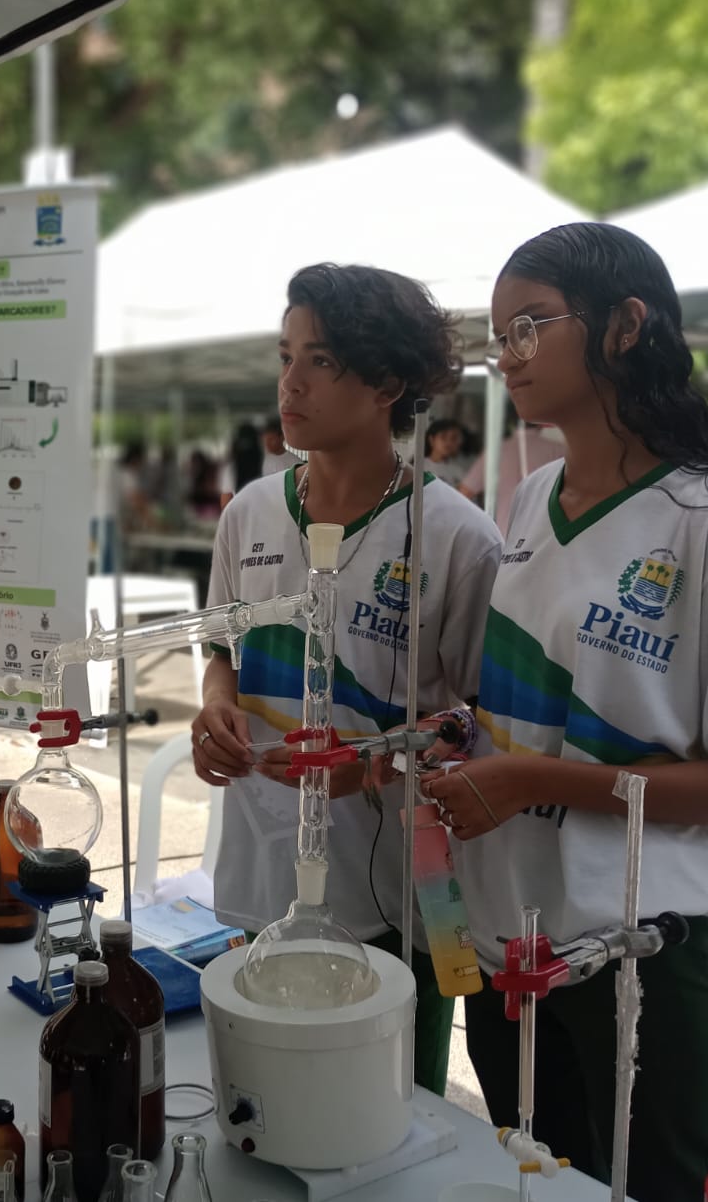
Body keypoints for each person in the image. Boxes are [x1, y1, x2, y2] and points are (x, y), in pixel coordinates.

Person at [415, 224, 708, 1202]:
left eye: (528, 325)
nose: (506, 354)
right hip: (508, 932)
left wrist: (528, 779)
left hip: (646, 945)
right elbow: (527, 701)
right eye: (497, 335)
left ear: (624, 325)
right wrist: (468, 735)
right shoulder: (528, 502)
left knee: (650, 1185)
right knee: (532, 1173)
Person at [191, 262, 503, 1097]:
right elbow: (221, 647)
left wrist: (377, 761)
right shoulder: (249, 514)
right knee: (262, 1095)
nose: (290, 382)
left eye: (320, 360)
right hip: (262, 870)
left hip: (399, 894)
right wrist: (216, 707)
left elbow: (482, 724)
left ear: (387, 383)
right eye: (285, 354)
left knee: (388, 1118)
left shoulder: (456, 538)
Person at [459, 418, 566, 532]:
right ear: (541, 425)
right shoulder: (558, 450)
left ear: (512, 425)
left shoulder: (496, 451)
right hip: (543, 533)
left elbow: (464, 493)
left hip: (503, 532)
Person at [424, 417, 476, 486]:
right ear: (431, 439)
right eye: (443, 437)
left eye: (453, 438)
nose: (449, 442)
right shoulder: (419, 466)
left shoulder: (458, 471)